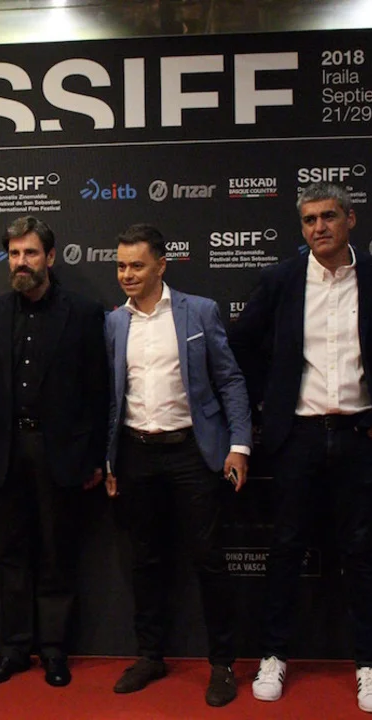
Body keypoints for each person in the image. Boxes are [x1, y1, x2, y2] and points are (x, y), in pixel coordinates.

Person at [229, 182, 372, 714]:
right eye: (310, 219)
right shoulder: (281, 279)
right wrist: (269, 402)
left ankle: (369, 666)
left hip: (362, 436)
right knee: (286, 547)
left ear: (350, 219)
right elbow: (241, 344)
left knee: (359, 551)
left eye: (329, 216)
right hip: (298, 437)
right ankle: (273, 655)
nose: (320, 227)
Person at [104, 223, 251, 706]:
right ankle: (150, 656)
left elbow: (229, 380)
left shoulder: (199, 311)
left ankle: (222, 664)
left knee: (209, 559)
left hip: (193, 451)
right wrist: (109, 459)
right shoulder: (114, 323)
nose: (127, 274)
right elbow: (111, 397)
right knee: (145, 560)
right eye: (121, 266)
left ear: (161, 265)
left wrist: (239, 445)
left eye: (137, 265)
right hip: (135, 453)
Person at [0, 215, 108, 688]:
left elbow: (98, 392)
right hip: (5, 451)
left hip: (61, 453)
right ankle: (13, 650)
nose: (21, 262)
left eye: (30, 253)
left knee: (57, 554)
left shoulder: (85, 314)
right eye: (14, 253)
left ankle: (53, 651)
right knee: (10, 555)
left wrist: (94, 457)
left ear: (50, 257)